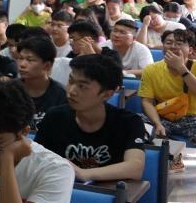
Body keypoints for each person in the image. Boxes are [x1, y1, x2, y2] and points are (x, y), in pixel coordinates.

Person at [138, 29, 196, 203]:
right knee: (133, 124)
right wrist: (157, 123)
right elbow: (147, 101)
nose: (173, 47)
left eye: (179, 43)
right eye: (169, 43)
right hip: (165, 117)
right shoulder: (152, 69)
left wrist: (182, 69)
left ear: (189, 49)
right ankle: (137, 185)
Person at [36, 54, 145, 182]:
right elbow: (37, 160)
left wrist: (84, 174)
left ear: (107, 94)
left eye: (82, 86)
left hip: (107, 192)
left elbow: (135, 168)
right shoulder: (55, 117)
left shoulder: (128, 122)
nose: (71, 91)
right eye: (71, 81)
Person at [16, 37, 68, 130]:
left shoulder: (61, 95)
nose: (22, 64)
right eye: (20, 58)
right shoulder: (9, 91)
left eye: (30, 60)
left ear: (47, 65)